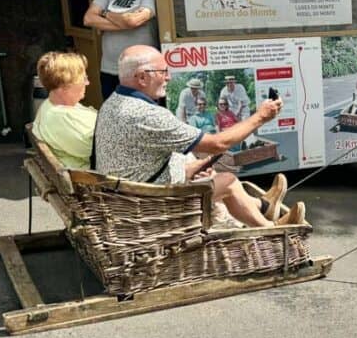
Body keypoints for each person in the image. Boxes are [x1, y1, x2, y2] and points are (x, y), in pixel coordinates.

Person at [94, 45, 303, 227]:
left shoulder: (112, 102)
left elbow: (137, 160)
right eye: (163, 72)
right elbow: (218, 143)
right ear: (141, 77)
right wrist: (260, 117)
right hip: (147, 204)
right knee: (228, 180)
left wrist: (188, 169)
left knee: (203, 166)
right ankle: (270, 227)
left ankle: (265, 205)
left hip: (127, 196)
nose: (168, 77)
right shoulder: (147, 114)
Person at [83, 0, 158, 99]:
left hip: (140, 72)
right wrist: (124, 23)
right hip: (110, 69)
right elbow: (88, 18)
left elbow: (134, 20)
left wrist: (104, 14)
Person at [31, 51, 97, 169]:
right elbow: (98, 150)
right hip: (89, 179)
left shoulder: (54, 105)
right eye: (83, 78)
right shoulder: (60, 117)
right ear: (65, 86)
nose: (87, 83)